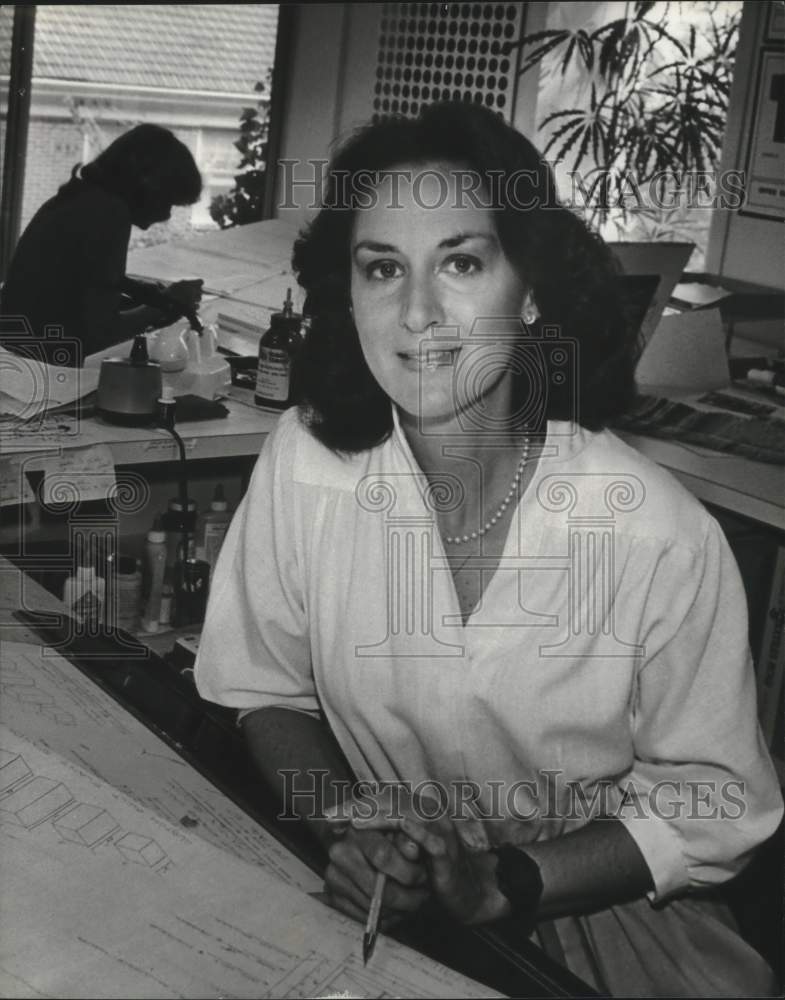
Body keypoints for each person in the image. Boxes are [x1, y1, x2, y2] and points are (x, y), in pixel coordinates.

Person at [194, 102, 783, 997]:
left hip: (609, 931)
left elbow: (713, 806)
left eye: (461, 262)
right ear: (347, 295)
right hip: (388, 912)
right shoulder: (306, 464)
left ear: (532, 287)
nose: (419, 311)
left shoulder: (652, 532)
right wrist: (351, 829)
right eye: (381, 267)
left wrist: (500, 885)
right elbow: (263, 690)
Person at [1, 123, 204, 366]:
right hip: (39, 366)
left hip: (15, 348)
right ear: (147, 182)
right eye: (168, 201)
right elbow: (100, 334)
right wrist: (165, 308)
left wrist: (150, 294)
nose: (166, 215)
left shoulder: (80, 197)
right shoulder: (108, 214)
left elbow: (86, 278)